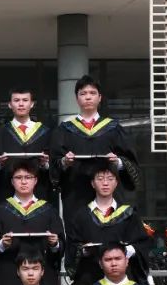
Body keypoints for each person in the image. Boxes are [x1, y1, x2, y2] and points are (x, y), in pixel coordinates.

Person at [50, 76, 139, 211]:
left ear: (100, 97)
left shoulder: (114, 128)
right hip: (75, 196)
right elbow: (54, 164)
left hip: (109, 196)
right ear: (77, 98)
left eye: (92, 93)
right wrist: (65, 162)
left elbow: (131, 161)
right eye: (83, 93)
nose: (88, 97)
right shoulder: (65, 130)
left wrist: (118, 162)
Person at [64, 164, 151, 285]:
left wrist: (125, 250)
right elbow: (72, 246)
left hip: (123, 280)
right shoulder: (81, 216)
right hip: (91, 279)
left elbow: (141, 244)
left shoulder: (129, 214)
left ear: (116, 183)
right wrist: (84, 251)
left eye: (110, 179)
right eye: (100, 179)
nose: (105, 183)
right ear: (92, 183)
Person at [0, 159, 64, 285]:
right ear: (12, 181)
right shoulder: (0, 210)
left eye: (28, 177)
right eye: (18, 178)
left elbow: (61, 244)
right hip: (10, 273)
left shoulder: (48, 210)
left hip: (42, 273)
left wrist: (55, 243)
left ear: (35, 181)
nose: (23, 182)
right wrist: (2, 244)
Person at [0, 87, 53, 202]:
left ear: (32, 104)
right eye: (16, 100)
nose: (21, 104)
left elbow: (53, 166)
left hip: (38, 192)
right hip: (7, 192)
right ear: (10, 104)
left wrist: (45, 164)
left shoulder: (45, 132)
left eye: (25, 100)